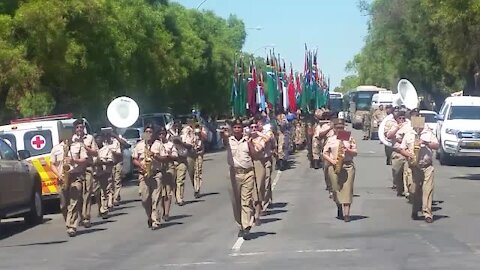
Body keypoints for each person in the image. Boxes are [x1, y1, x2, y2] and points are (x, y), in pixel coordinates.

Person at [398, 117, 439, 223]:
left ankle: (427, 213)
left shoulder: (428, 133)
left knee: (427, 189)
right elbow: (401, 148)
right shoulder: (409, 134)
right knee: (413, 190)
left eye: (419, 127)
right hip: (414, 166)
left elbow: (437, 145)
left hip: (427, 165)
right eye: (416, 127)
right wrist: (408, 154)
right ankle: (415, 209)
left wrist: (426, 143)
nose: (418, 129)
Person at [50, 130, 89, 237]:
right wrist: (58, 175)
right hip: (62, 178)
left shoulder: (78, 146)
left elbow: (85, 160)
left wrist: (74, 161)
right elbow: (52, 164)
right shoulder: (56, 148)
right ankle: (69, 220)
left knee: (74, 202)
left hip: (75, 176)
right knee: (63, 205)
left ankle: (72, 226)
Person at [222, 118, 255, 239]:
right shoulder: (229, 140)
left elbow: (254, 154)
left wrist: (250, 142)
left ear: (242, 129)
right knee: (236, 202)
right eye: (235, 127)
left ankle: (246, 227)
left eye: (239, 127)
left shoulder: (247, 140)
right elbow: (224, 139)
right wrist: (224, 133)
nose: (237, 129)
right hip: (234, 174)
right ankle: (241, 224)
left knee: (246, 200)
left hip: (247, 173)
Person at [322, 118, 358, 222]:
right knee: (336, 189)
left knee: (347, 189)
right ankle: (339, 206)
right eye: (338, 128)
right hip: (334, 167)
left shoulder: (349, 138)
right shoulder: (331, 139)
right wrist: (331, 161)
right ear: (334, 129)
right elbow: (325, 153)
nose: (340, 129)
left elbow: (355, 152)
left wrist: (349, 150)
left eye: (341, 127)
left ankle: (347, 214)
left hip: (347, 166)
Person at [132, 124, 163, 230]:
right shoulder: (139, 145)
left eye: (150, 132)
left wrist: (155, 156)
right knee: (145, 199)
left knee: (156, 199)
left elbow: (165, 158)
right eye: (146, 132)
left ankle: (156, 221)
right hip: (143, 174)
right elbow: (134, 159)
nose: (148, 134)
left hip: (156, 174)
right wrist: (140, 165)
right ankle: (150, 216)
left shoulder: (158, 144)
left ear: (154, 134)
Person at [72, 120, 98, 229]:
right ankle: (80, 216)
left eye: (81, 127)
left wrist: (84, 146)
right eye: (77, 127)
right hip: (77, 169)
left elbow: (95, 152)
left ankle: (86, 217)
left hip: (88, 167)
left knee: (87, 193)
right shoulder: (72, 139)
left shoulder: (90, 138)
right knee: (77, 194)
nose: (79, 129)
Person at [386, 110, 412, 196]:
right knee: (397, 172)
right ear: (396, 119)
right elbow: (389, 136)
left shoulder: (409, 125)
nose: (401, 120)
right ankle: (399, 188)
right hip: (397, 153)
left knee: (408, 172)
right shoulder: (394, 126)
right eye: (399, 118)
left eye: (403, 118)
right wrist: (398, 127)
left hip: (407, 151)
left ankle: (407, 190)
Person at [93, 134, 113, 219]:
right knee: (96, 192)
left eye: (99, 139)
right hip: (94, 174)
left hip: (104, 172)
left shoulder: (107, 149)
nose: (98, 141)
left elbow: (111, 162)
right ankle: (99, 208)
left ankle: (104, 209)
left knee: (104, 191)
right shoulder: (92, 150)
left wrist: (102, 162)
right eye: (96, 139)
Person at [158, 126, 176, 221]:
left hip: (169, 167)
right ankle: (163, 209)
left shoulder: (170, 144)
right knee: (161, 192)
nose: (161, 136)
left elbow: (175, 156)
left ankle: (167, 213)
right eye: (160, 134)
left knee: (168, 190)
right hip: (159, 168)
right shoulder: (156, 145)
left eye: (163, 134)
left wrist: (169, 155)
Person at [168, 121, 188, 206]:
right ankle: (177, 196)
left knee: (180, 180)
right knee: (173, 181)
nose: (176, 127)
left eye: (178, 126)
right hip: (172, 161)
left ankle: (180, 198)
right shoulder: (169, 135)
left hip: (182, 159)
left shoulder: (185, 135)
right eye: (175, 126)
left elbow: (189, 145)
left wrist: (181, 142)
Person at [193, 124, 205, 198]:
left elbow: (203, 148)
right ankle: (195, 186)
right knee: (194, 172)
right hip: (192, 155)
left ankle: (197, 189)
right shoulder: (191, 138)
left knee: (198, 171)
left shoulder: (201, 140)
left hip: (199, 155)